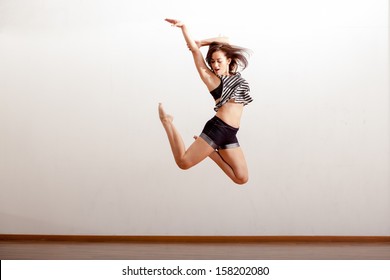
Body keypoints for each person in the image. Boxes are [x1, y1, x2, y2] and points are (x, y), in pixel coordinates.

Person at [159, 18, 253, 185]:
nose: (215, 65)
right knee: (183, 162)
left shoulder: (236, 77)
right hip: (218, 129)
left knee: (241, 178)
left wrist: (203, 42)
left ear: (229, 60)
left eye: (219, 60)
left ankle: (211, 154)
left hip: (230, 132)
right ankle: (168, 122)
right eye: (212, 61)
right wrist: (184, 28)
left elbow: (226, 41)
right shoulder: (214, 80)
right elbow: (195, 52)